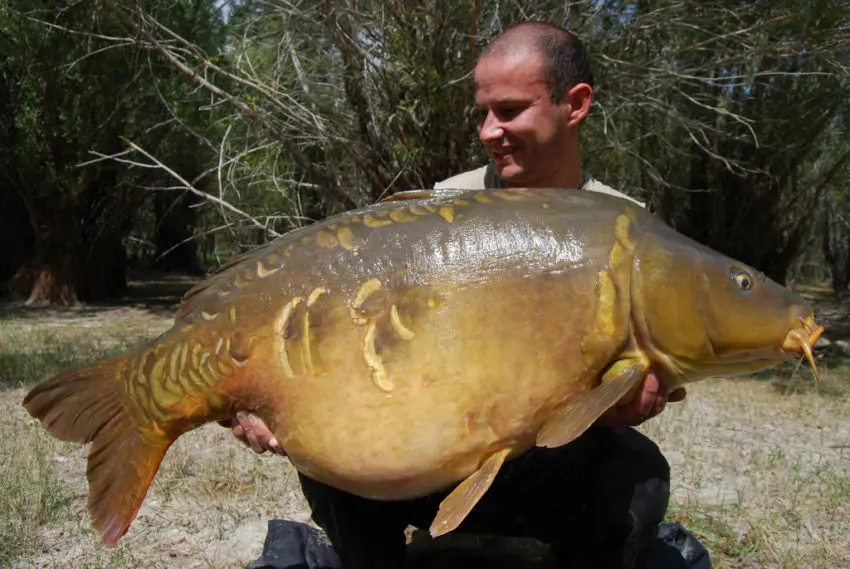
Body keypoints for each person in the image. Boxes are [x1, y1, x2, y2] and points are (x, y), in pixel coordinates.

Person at [228, 22, 709, 569]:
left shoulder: (628, 228)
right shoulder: (439, 209)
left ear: (574, 105)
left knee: (637, 470)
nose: (488, 130)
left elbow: (656, 374)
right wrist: (252, 395)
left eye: (508, 110)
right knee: (334, 454)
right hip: (428, 456)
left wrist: (630, 402)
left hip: (548, 461)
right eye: (482, 113)